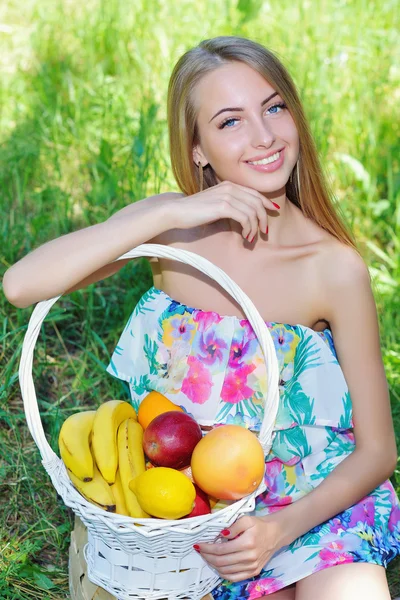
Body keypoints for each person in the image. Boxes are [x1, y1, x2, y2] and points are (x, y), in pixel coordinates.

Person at [3, 35, 400, 600]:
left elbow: (378, 450)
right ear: (198, 150)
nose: (264, 136)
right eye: (230, 122)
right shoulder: (174, 235)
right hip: (197, 509)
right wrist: (168, 210)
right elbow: (22, 285)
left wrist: (279, 530)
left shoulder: (332, 269)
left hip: (313, 503)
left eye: (273, 107)